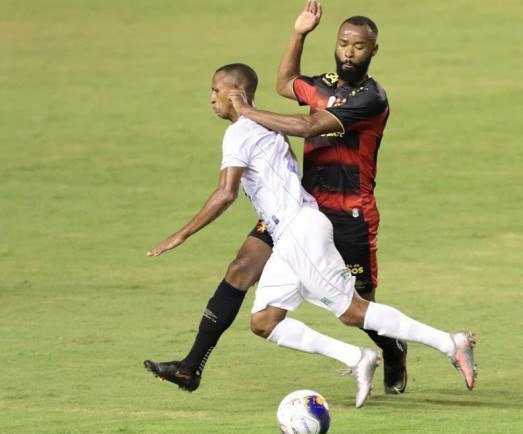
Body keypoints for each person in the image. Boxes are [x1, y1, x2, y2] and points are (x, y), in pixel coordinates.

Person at [149, 63, 476, 408]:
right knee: (264, 322)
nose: (211, 98)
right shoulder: (264, 126)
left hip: (299, 231)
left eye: (215, 91)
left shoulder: (240, 132)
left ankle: (449, 342)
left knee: (353, 311)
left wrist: (181, 235)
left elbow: (226, 193)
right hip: (289, 233)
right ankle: (356, 358)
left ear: (234, 93)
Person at [144, 1, 408, 395]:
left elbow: (306, 126)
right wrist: (299, 33)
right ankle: (191, 366)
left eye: (358, 47)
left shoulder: (370, 98)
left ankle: (393, 347)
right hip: (299, 206)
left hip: (347, 211)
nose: (349, 53)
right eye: (343, 44)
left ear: (373, 50)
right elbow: (286, 83)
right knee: (241, 268)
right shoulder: (325, 85)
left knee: (356, 311)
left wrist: (247, 112)